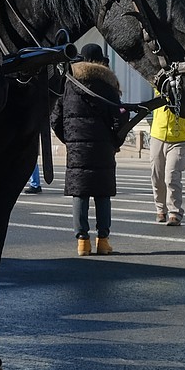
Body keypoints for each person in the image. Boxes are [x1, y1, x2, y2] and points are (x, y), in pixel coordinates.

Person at [51, 43, 126, 255]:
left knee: (80, 194)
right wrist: (115, 141)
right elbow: (119, 116)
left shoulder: (68, 83)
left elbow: (55, 118)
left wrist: (70, 140)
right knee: (102, 195)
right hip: (103, 148)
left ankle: (82, 242)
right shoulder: (108, 85)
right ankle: (103, 241)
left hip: (77, 149)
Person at [149, 104, 185, 226]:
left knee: (172, 177)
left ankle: (174, 212)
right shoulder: (161, 87)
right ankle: (161, 209)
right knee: (157, 177)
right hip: (158, 135)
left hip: (179, 137)